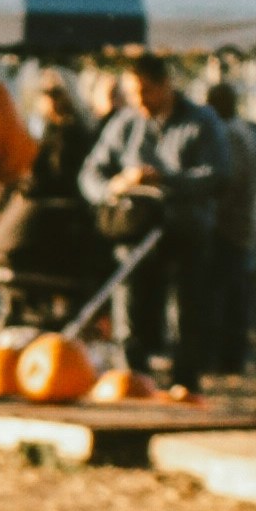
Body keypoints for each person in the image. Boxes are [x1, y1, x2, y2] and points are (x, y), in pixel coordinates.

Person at [78, 53, 229, 392]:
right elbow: (90, 173)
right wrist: (113, 186)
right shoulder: (126, 122)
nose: (140, 100)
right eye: (133, 93)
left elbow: (218, 174)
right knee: (129, 300)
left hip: (183, 228)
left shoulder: (201, 122)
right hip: (136, 228)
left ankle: (185, 380)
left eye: (146, 91)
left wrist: (167, 180)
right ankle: (131, 374)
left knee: (186, 308)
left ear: (166, 85)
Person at [0, 71, 103, 312]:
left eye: (54, 93)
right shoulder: (46, 131)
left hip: (54, 214)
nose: (49, 100)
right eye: (44, 94)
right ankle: (21, 305)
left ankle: (25, 304)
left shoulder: (73, 135)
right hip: (37, 205)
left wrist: (25, 185)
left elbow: (57, 177)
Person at [206, 79, 256, 373]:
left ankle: (227, 358)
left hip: (229, 225)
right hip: (243, 223)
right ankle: (232, 355)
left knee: (224, 295)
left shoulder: (229, 135)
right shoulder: (245, 132)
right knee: (234, 293)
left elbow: (229, 181)